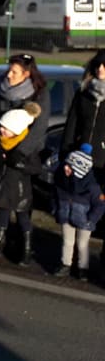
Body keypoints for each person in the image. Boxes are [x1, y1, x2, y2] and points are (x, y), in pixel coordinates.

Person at [0, 54, 50, 264]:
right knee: (2, 197)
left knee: (22, 201)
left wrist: (21, 151)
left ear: (26, 74)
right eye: (9, 70)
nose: (9, 75)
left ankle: (25, 245)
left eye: (14, 72)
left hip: (24, 156)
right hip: (2, 151)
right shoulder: (1, 90)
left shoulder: (38, 94)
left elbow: (39, 128)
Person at [61, 49, 105, 278]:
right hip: (78, 160)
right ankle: (71, 261)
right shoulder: (84, 94)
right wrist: (66, 153)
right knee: (76, 207)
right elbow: (71, 125)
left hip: (101, 164)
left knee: (96, 210)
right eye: (98, 65)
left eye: (104, 66)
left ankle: (89, 262)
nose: (100, 70)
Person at [52, 144, 105, 281]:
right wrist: (56, 210)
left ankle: (83, 268)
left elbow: (99, 205)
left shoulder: (92, 186)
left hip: (84, 220)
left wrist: (91, 219)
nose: (65, 168)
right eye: (66, 165)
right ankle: (65, 264)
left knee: (82, 244)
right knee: (67, 241)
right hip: (66, 215)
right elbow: (54, 196)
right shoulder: (61, 180)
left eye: (70, 167)